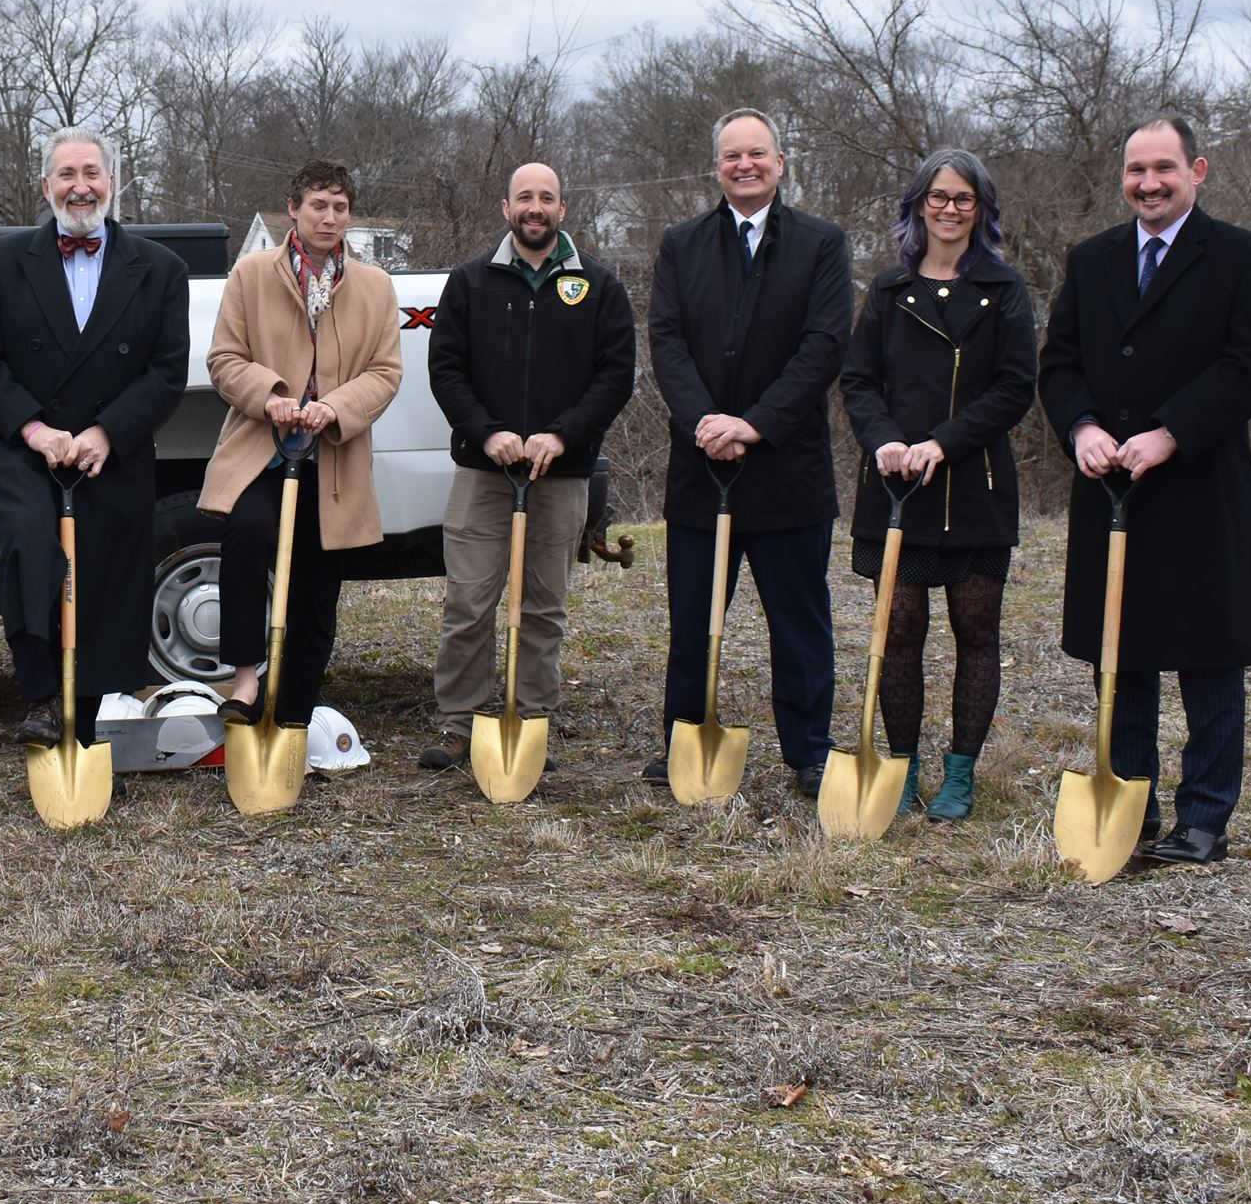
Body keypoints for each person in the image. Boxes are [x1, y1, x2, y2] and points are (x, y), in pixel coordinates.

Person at [1039, 114, 1251, 865]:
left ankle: (1204, 816)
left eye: (1164, 169)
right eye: (1135, 170)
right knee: (1123, 651)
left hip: (1199, 489)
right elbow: (1060, 361)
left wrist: (1171, 430)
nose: (1148, 183)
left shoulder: (1244, 258)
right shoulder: (1091, 259)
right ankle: (1131, 796)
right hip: (1111, 489)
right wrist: (1081, 427)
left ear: (1197, 170)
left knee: (1209, 658)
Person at [646, 108, 854, 796]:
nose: (745, 164)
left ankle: (809, 748)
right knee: (694, 619)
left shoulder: (822, 244)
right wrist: (705, 419)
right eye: (732, 155)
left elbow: (824, 346)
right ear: (716, 166)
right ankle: (685, 735)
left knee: (798, 622)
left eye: (757, 153)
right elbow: (667, 342)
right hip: (702, 467)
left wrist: (756, 424)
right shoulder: (682, 244)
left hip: (786, 470)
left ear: (780, 161)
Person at [0, 127, 191, 745]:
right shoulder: (1, 261)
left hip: (110, 454)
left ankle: (83, 721)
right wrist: (35, 429)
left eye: (92, 173)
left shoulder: (161, 270)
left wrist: (106, 433)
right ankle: (41, 694)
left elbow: (167, 371)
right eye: (67, 174)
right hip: (24, 452)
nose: (80, 186)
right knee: (35, 546)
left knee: (104, 574)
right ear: (46, 186)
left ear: (112, 183)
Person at [837, 148, 1036, 820]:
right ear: (919, 204)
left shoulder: (1004, 291)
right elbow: (858, 380)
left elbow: (1015, 387)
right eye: (939, 196)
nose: (950, 209)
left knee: (975, 634)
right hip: (895, 493)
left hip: (974, 491)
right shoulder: (888, 293)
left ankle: (960, 772)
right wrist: (887, 440)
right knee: (899, 634)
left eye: (964, 199)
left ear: (981, 210)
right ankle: (902, 765)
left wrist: (942, 443)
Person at [421, 161, 636, 767]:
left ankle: (532, 718)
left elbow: (615, 375)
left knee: (544, 605)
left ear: (562, 209)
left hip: (560, 474)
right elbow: (447, 370)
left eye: (547, 197)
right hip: (484, 472)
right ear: (506, 209)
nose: (535, 207)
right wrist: (487, 433)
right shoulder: (470, 283)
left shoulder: (599, 285)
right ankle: (459, 724)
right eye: (525, 198)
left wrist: (563, 436)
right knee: (469, 601)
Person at [200, 160, 403, 729]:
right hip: (262, 450)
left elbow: (386, 372)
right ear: (293, 209)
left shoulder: (374, 286)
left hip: (332, 459)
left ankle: (293, 714)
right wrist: (271, 396)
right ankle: (243, 680)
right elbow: (224, 359)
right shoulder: (252, 275)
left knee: (317, 585)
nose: (330, 218)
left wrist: (333, 408)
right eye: (319, 205)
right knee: (247, 533)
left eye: (340, 208)